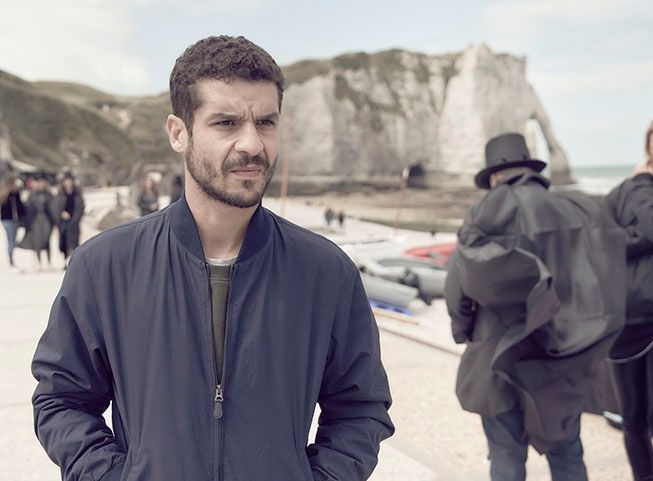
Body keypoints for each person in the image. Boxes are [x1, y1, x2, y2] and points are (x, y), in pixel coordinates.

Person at [31, 35, 393, 481]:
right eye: (226, 123)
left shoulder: (325, 271)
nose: (252, 144)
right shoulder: (105, 266)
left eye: (265, 122)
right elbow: (61, 398)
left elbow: (361, 408)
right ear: (178, 133)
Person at [445, 132, 627, 481]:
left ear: (494, 177)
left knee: (506, 459)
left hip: (496, 358)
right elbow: (602, 272)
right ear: (527, 166)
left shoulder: (482, 214)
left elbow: (458, 287)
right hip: (560, 357)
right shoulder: (574, 209)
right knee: (567, 453)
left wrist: (465, 331)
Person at [604, 115, 653, 481]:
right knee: (633, 418)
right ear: (647, 152)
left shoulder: (637, 187)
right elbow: (600, 241)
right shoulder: (626, 191)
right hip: (625, 324)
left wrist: (642, 235)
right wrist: (643, 240)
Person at [18, 178, 56, 270]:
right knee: (37, 240)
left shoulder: (49, 195)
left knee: (47, 240)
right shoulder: (32, 195)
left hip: (47, 219)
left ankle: (49, 262)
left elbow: (54, 207)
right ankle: (38, 262)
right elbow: (27, 208)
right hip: (36, 219)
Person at [53, 173, 84, 268]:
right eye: (66, 181)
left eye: (70, 181)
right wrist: (61, 213)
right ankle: (65, 260)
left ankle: (73, 261)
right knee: (64, 241)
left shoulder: (77, 194)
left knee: (74, 241)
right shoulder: (60, 194)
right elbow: (56, 207)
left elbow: (80, 207)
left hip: (74, 222)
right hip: (63, 223)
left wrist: (75, 218)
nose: (68, 183)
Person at [0, 175, 26, 273]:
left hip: (4, 220)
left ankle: (10, 258)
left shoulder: (2, 193)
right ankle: (11, 259)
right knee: (12, 240)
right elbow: (18, 206)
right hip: (12, 220)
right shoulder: (13, 193)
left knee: (10, 239)